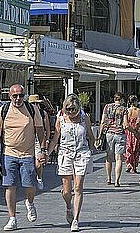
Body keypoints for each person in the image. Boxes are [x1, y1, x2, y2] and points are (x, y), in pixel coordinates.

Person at [0, 84, 46, 231]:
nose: (18, 98)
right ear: (9, 96)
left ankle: (30, 202)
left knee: (29, 185)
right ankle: (12, 218)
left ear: (24, 96)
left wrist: (42, 150)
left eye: (21, 95)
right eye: (15, 95)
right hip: (9, 153)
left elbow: (40, 131)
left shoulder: (32, 109)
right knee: (10, 186)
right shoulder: (3, 110)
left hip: (28, 153)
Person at [46, 94, 95, 232]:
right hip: (65, 154)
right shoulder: (60, 119)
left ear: (78, 107)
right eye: (68, 109)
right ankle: (69, 207)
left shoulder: (84, 118)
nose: (71, 112)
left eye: (74, 109)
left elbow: (90, 135)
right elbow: (55, 139)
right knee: (67, 191)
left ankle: (76, 219)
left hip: (81, 153)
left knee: (78, 187)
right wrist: (47, 154)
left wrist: (93, 146)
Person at [98, 92, 129, 187]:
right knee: (119, 158)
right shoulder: (124, 109)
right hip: (119, 134)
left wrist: (99, 136)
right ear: (122, 99)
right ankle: (117, 181)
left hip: (109, 134)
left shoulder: (107, 107)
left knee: (108, 157)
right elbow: (125, 124)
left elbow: (102, 122)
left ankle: (108, 178)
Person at [27, 94, 52, 190]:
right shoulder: (26, 112)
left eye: (36, 103)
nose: (34, 105)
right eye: (32, 103)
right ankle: (30, 179)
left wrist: (46, 140)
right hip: (28, 139)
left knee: (38, 163)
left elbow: (47, 129)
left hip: (39, 140)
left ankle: (39, 177)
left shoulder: (43, 113)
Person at [125, 95, 140, 174]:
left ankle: (129, 164)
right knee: (136, 148)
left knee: (129, 148)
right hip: (137, 131)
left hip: (129, 131)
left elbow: (126, 123)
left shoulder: (127, 110)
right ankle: (134, 166)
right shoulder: (139, 110)